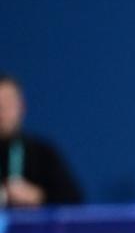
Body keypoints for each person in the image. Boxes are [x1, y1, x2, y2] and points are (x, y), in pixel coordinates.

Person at [0, 74, 82, 207]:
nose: (2, 111)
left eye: (8, 103)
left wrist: (38, 196)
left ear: (22, 107)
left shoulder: (42, 153)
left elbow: (74, 199)